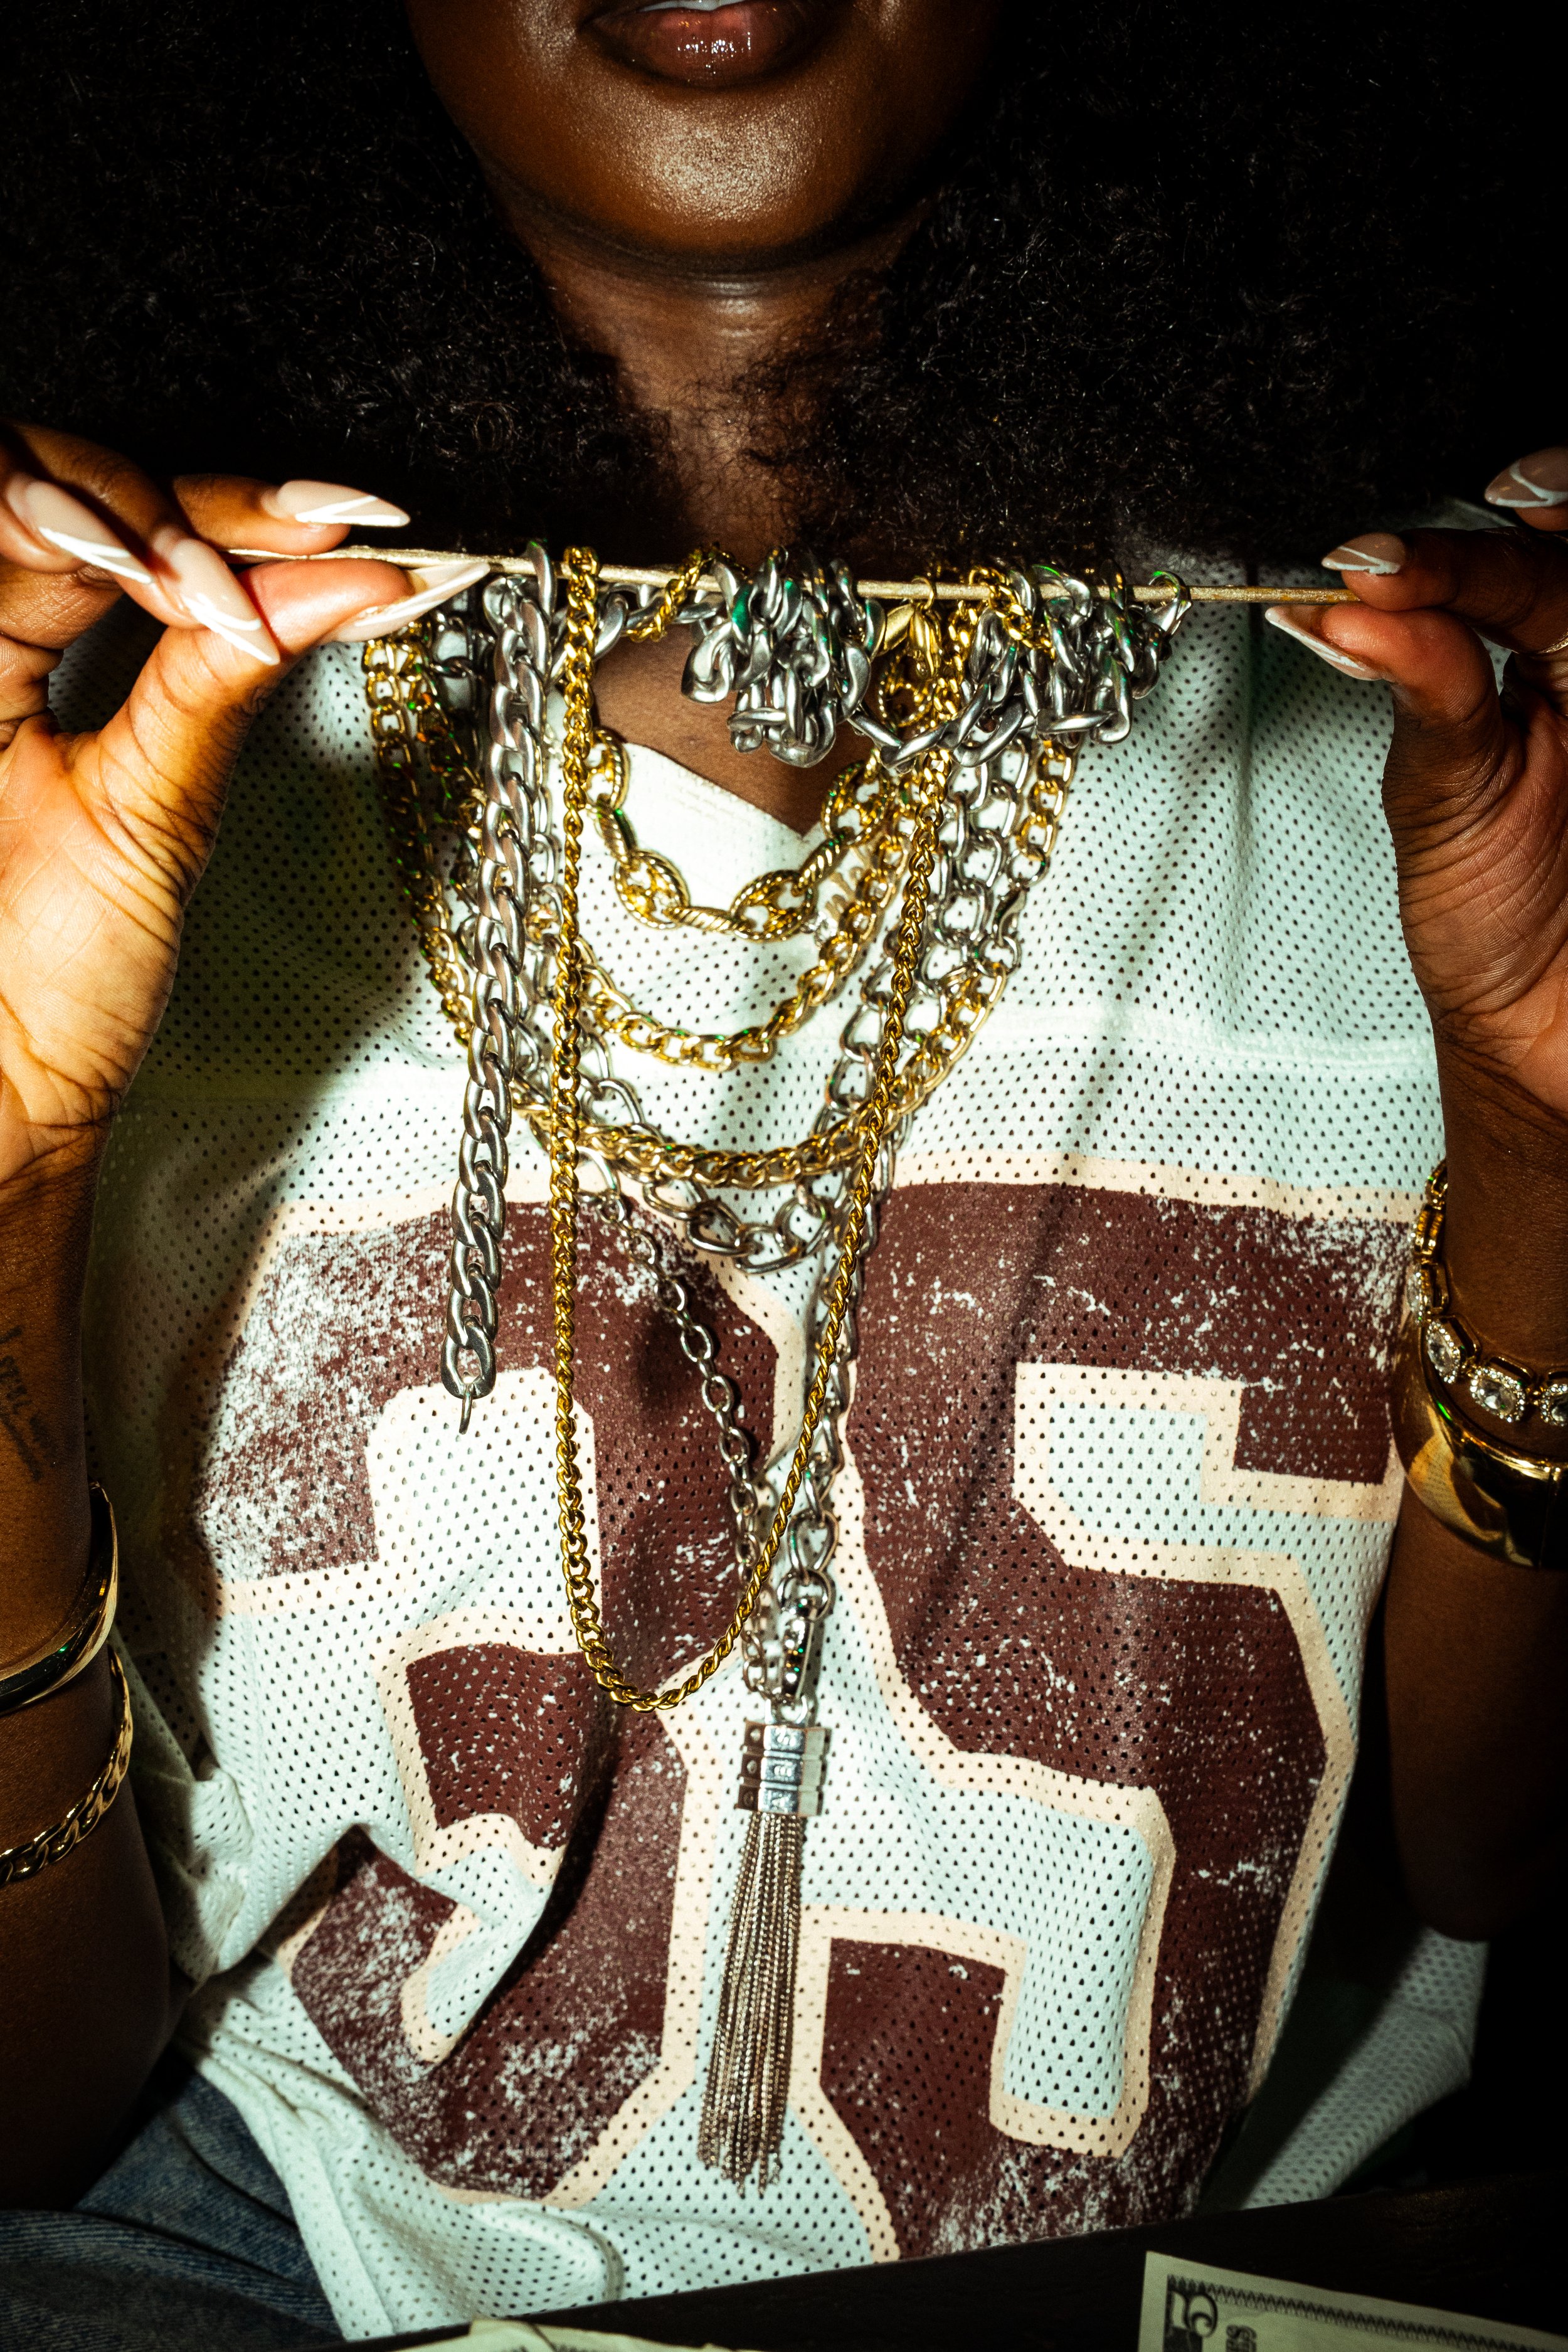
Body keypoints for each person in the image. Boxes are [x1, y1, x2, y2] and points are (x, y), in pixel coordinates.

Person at [1, 1, 1565, 2343]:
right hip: (257, 2241)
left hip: (1241, 2263)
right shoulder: (81, 782)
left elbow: (1497, 1855)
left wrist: (1547, 1144)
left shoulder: (1445, 743)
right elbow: (27, 2108)